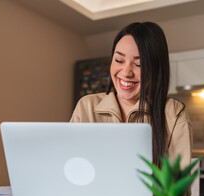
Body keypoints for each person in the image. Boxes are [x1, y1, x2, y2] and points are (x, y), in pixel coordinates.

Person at [70, 22, 192, 168]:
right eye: (119, 60)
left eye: (139, 64)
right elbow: (71, 167)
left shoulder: (173, 113)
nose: (126, 73)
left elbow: (176, 188)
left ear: (156, 69)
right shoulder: (87, 106)